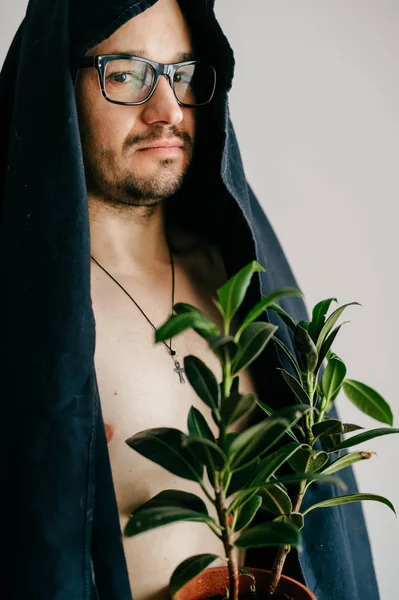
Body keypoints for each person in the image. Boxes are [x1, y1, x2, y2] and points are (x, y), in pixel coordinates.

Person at [0, 0, 380, 599]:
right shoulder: (20, 322)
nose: (168, 110)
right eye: (126, 73)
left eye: (181, 74)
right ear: (57, 88)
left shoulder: (243, 284)